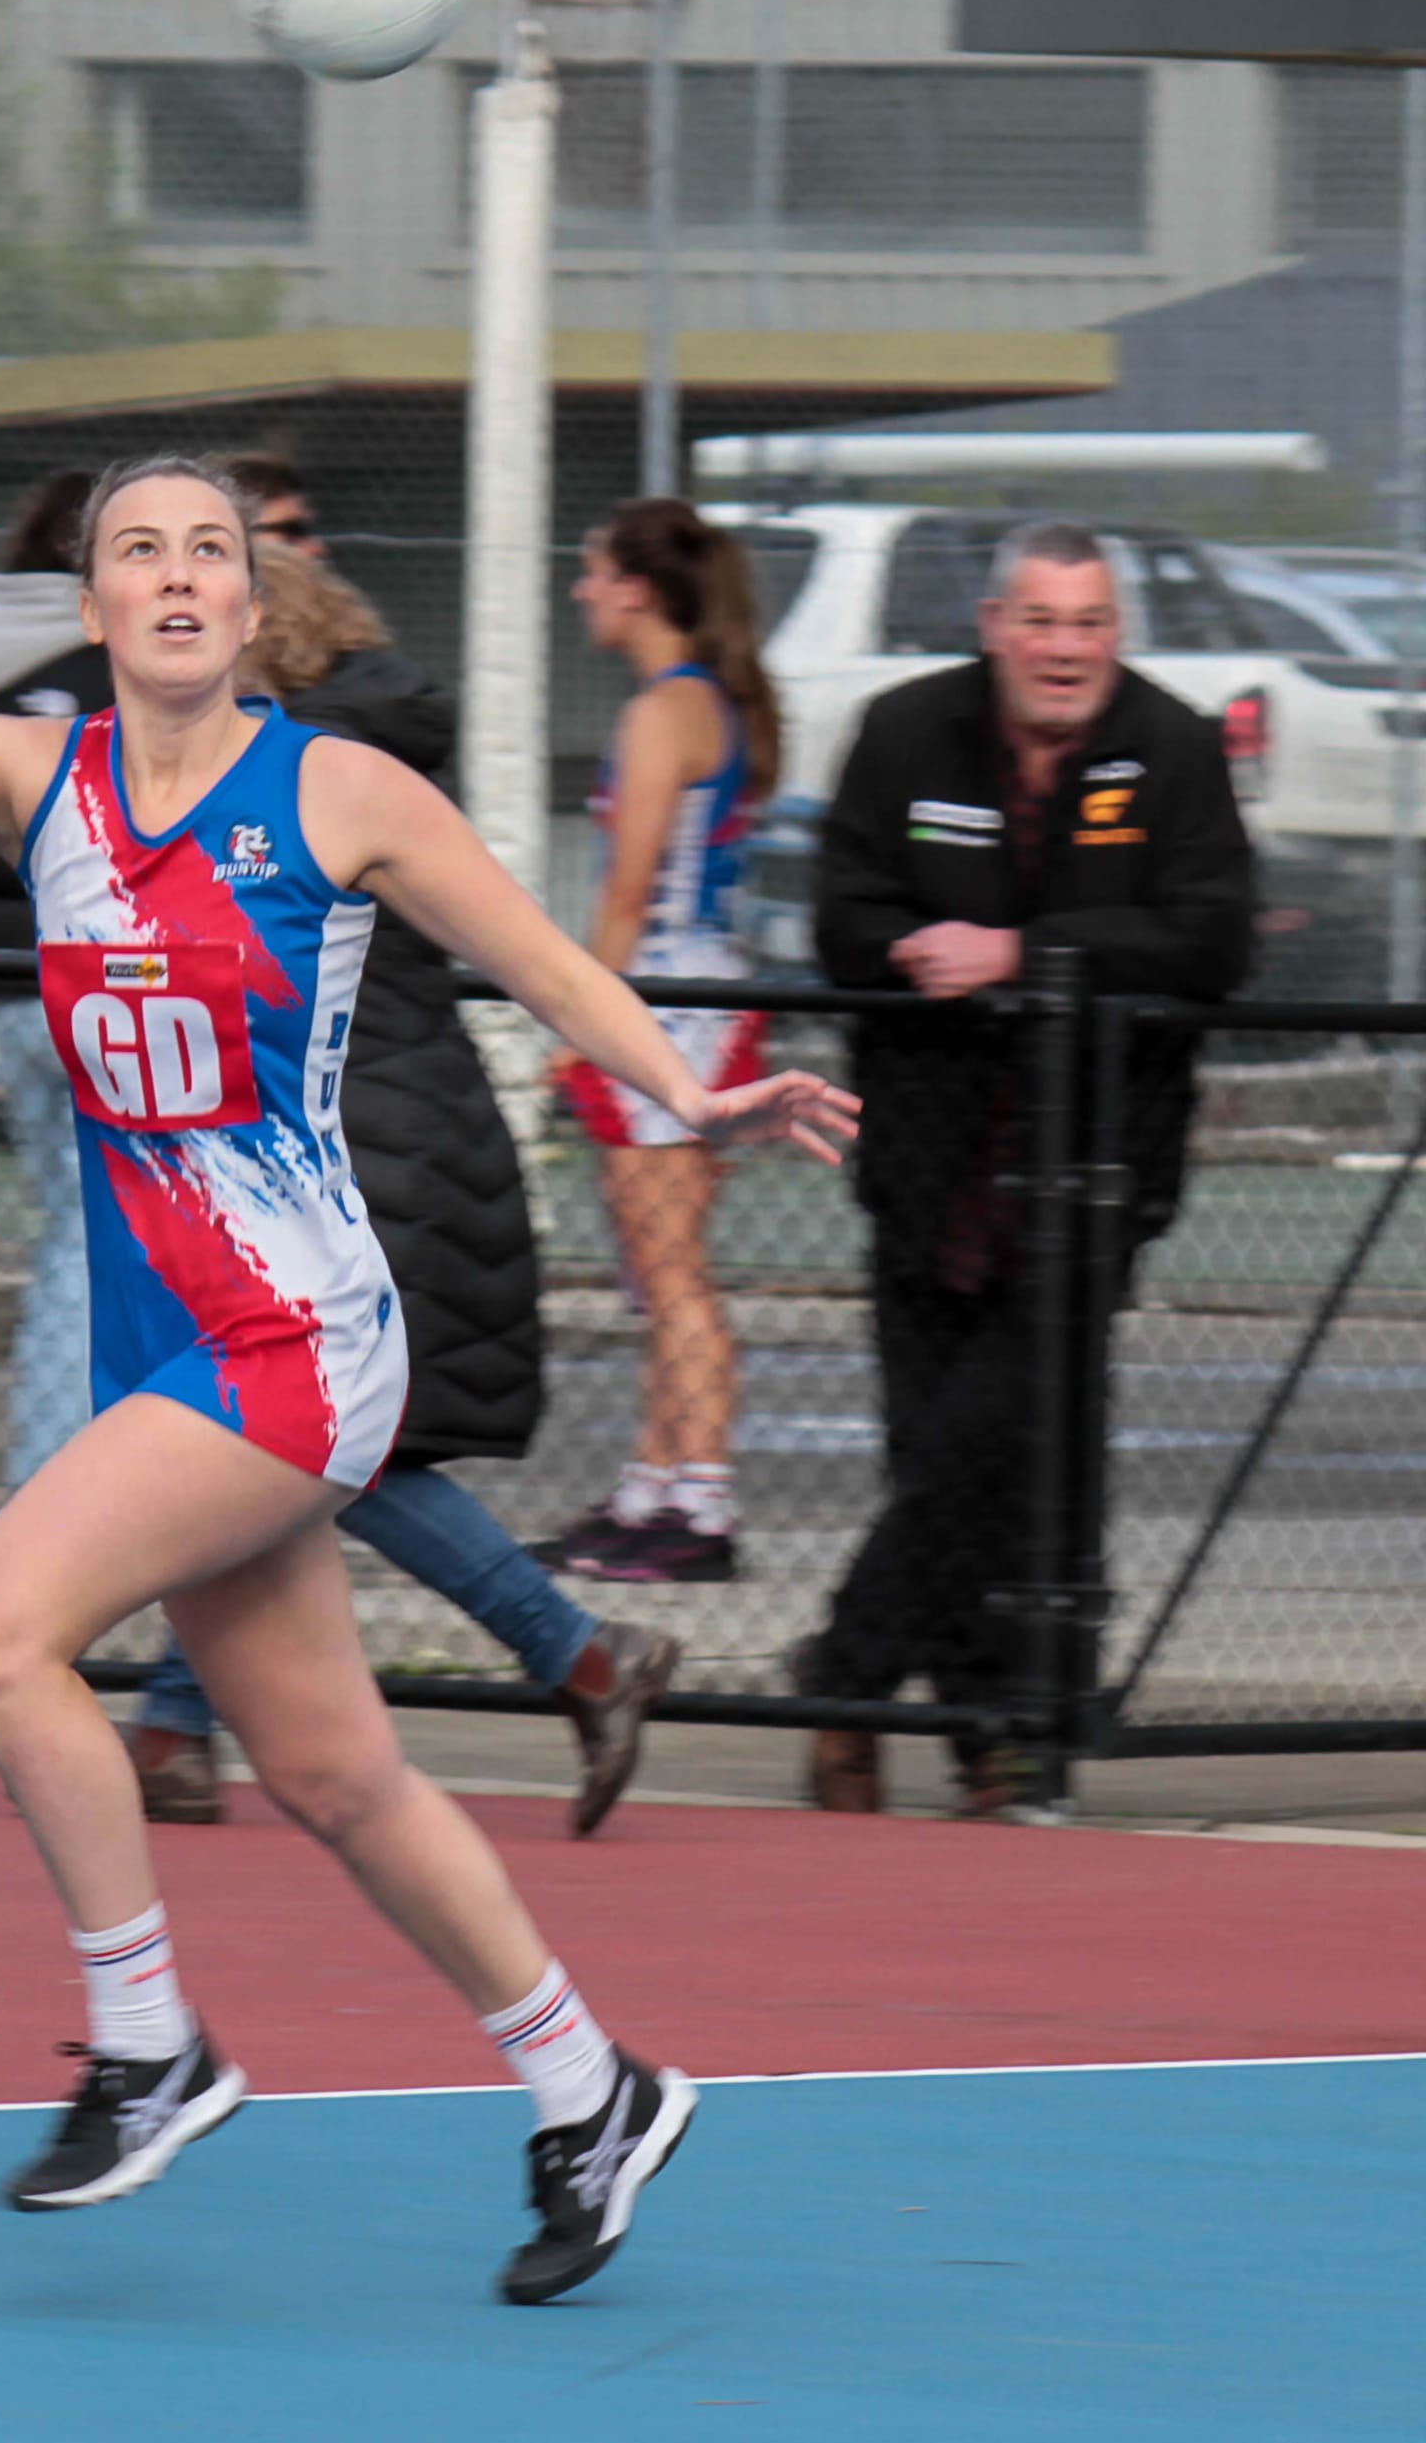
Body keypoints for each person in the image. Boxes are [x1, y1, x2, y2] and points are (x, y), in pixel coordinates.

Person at [0, 381, 857, 2303]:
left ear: (252, 600)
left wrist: (694, 1088)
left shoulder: (337, 790)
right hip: (164, 1338)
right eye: (141, 551)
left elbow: (548, 956)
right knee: (339, 1773)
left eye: (211, 549)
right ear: (93, 601)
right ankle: (590, 2087)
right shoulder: (42, 784)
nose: (180, 576)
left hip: (295, 1335)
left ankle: (149, 2038)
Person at [127, 541, 680, 1838]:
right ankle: (173, 1728)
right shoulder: (359, 772)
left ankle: (579, 1650)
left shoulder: (288, 791)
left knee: (307, 1444)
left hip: (348, 1157)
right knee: (271, 1443)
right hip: (402, 1140)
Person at [801, 519, 1253, 1816]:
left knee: (992, 1444)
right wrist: (913, 954)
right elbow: (842, 915)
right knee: (935, 1444)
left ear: (1117, 632)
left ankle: (846, 1677)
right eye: (1043, 621)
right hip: (927, 1165)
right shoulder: (903, 733)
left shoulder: (1170, 747)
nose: (1066, 649)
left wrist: (1024, 953)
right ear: (996, 624)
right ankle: (988, 1739)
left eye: (1090, 623)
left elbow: (1212, 937)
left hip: (1093, 1174)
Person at [543, 498, 781, 1585]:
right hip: (686, 999)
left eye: (593, 571)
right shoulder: (693, 702)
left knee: (673, 1271)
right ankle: (655, 1485)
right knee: (657, 1267)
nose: (582, 589)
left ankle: (704, 1504)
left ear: (636, 587)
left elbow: (629, 893)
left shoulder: (664, 711)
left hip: (667, 1005)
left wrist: (578, 1018)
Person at [0, 469, 113, 1486]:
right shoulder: (111, 666)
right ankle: (58, 1481)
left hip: (8, 986)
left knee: (74, 1233)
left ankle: (71, 1470)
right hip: (99, 979)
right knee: (109, 1242)